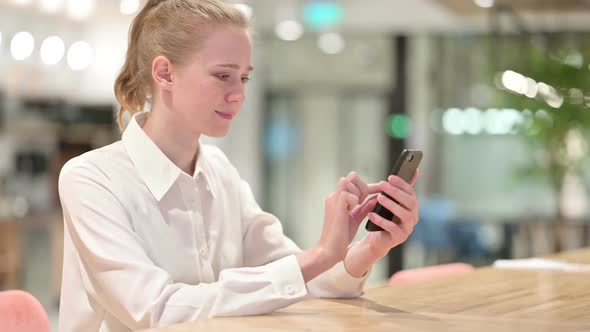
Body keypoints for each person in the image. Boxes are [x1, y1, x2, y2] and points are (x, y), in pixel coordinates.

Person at [57, 0, 420, 331]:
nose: (238, 95)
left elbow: (305, 280)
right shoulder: (90, 179)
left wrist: (367, 247)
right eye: (222, 75)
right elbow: (156, 310)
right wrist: (319, 255)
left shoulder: (218, 171)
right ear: (165, 73)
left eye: (244, 77)